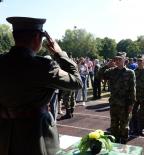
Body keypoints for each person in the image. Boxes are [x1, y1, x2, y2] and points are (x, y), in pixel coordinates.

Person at [0, 17, 83, 155]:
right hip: (35, 137)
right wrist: (59, 53)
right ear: (37, 37)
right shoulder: (44, 67)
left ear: (15, 36)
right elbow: (77, 82)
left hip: (4, 137)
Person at [98, 52, 136, 144]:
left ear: (124, 60)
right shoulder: (111, 71)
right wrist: (107, 65)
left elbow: (133, 89)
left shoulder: (130, 72)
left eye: (120, 59)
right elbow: (99, 76)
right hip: (114, 103)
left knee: (124, 127)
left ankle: (123, 143)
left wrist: (131, 104)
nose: (118, 61)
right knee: (114, 125)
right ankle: (114, 143)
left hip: (125, 104)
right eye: (116, 59)